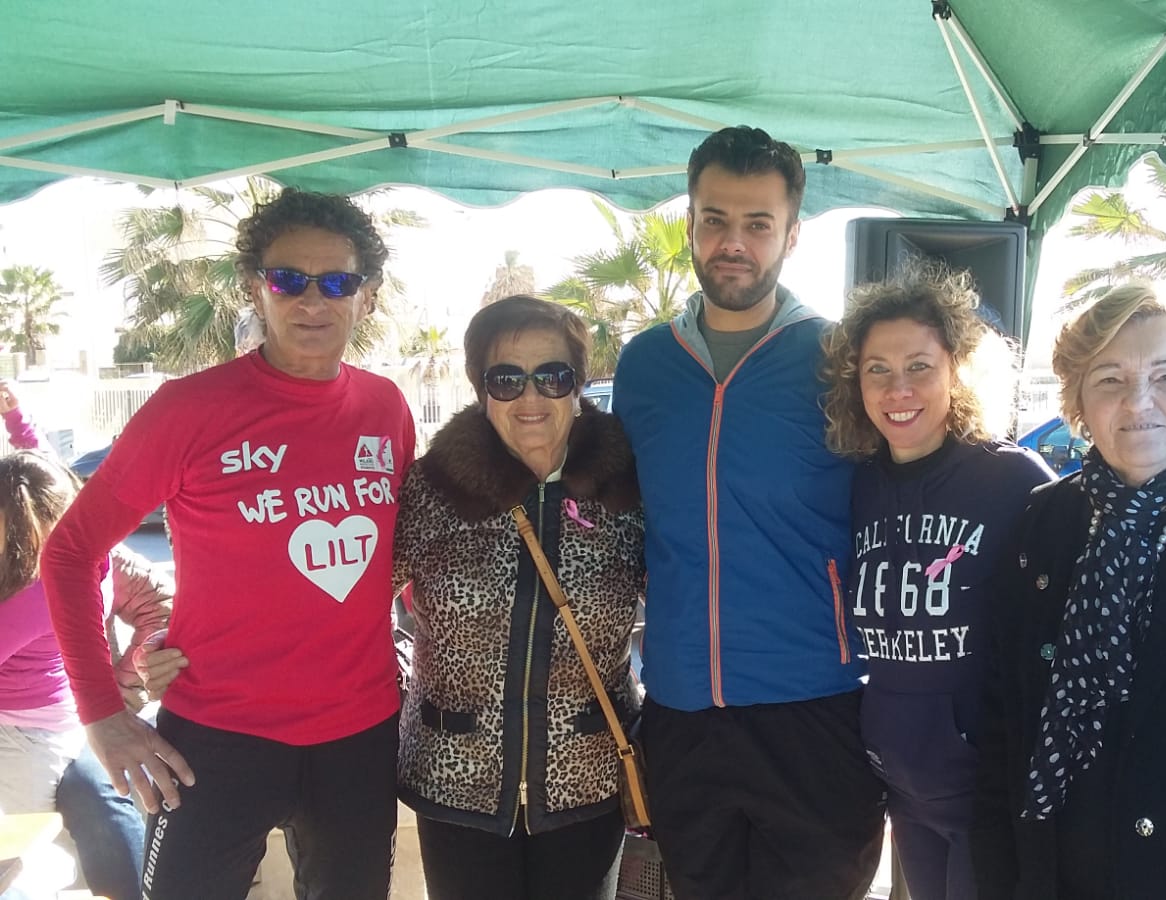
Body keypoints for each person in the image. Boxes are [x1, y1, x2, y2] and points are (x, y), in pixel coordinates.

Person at [41, 188, 416, 900]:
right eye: (288, 279)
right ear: (256, 286)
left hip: (359, 737)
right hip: (215, 738)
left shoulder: (386, 407)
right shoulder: (190, 409)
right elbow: (68, 553)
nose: (313, 300)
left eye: (337, 281)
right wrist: (103, 716)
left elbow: (390, 560)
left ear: (366, 296)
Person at [613, 125, 885, 900]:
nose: (734, 243)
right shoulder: (644, 365)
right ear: (691, 222)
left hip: (815, 707)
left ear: (792, 234)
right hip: (681, 709)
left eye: (758, 224)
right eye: (715, 220)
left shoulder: (840, 357)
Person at [972, 282, 1166, 898]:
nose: (1138, 401)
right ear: (1079, 403)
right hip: (1057, 867)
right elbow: (1004, 716)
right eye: (1109, 380)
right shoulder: (1044, 519)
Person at [392, 295, 644, 900]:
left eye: (552, 377)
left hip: (586, 783)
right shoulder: (433, 490)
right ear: (482, 389)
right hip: (456, 784)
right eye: (507, 379)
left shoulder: (626, 491)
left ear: (578, 386)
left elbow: (693, 600)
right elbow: (340, 604)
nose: (531, 398)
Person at [819, 265, 1053, 900]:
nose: (899, 388)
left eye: (920, 365)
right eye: (878, 369)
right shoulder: (858, 484)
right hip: (900, 787)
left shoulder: (1013, 481)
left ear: (957, 369)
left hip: (985, 793)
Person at [0, 449, 175, 900]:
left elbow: (160, 607)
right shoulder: (87, 556)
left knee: (13, 857)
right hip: (57, 722)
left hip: (28, 737)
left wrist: (124, 683)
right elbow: (33, 472)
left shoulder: (38, 592)